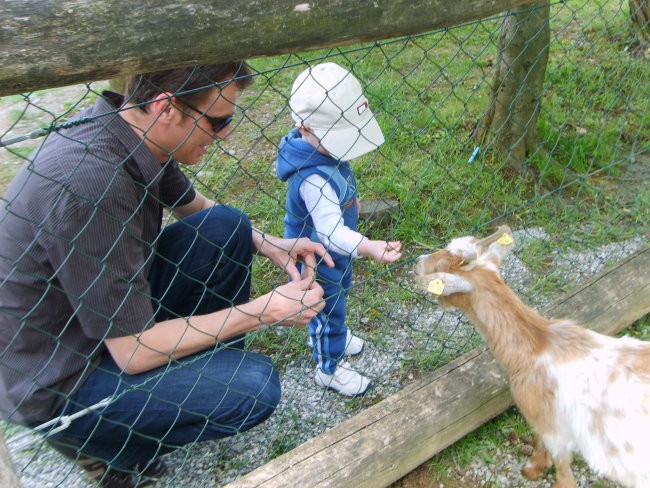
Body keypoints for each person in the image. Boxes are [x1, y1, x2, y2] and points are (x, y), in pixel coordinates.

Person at [0, 62, 334, 488]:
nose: (227, 133)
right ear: (165, 108)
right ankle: (108, 451)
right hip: (62, 378)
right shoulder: (91, 184)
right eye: (219, 121)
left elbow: (194, 206)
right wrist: (266, 310)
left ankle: (185, 387)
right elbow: (133, 352)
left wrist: (270, 242)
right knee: (253, 386)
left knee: (227, 225)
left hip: (93, 321)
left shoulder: (127, 130)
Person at [275, 63, 402, 397]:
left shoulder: (324, 150)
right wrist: (369, 245)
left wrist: (353, 201)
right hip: (318, 260)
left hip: (338, 254)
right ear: (303, 127)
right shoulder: (312, 178)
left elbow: (341, 182)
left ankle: (338, 333)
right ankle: (328, 368)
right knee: (322, 307)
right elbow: (329, 233)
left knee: (339, 298)